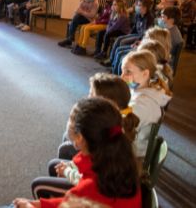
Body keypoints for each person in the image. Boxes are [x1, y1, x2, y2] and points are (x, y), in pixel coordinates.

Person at [13, 98, 141, 208]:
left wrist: (29, 206)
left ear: (79, 137)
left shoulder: (90, 187)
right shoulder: (119, 158)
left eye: (70, 119)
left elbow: (80, 198)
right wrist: (41, 204)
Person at [121, 50, 172, 158]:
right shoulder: (146, 90)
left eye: (128, 72)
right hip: (133, 147)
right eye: (122, 71)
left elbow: (122, 129)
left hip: (131, 155)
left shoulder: (144, 104)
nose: (122, 77)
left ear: (145, 73)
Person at [102, 0, 154, 67]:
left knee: (123, 42)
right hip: (136, 34)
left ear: (145, 7)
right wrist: (129, 35)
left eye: (139, 5)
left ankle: (118, 63)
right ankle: (111, 60)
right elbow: (135, 27)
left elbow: (146, 32)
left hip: (141, 36)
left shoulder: (149, 18)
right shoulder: (138, 15)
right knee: (119, 39)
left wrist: (137, 39)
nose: (137, 7)